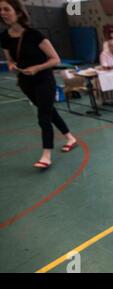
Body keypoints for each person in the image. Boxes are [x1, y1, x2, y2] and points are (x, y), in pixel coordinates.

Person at [0, 0, 77, 169]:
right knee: (49, 111)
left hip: (44, 80)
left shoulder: (35, 35)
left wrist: (37, 68)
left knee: (43, 116)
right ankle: (71, 138)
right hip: (26, 82)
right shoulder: (4, 37)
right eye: (0, 10)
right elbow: (10, 60)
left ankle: (46, 155)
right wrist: (12, 66)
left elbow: (55, 59)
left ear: (18, 12)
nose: (3, 13)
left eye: (6, 9)